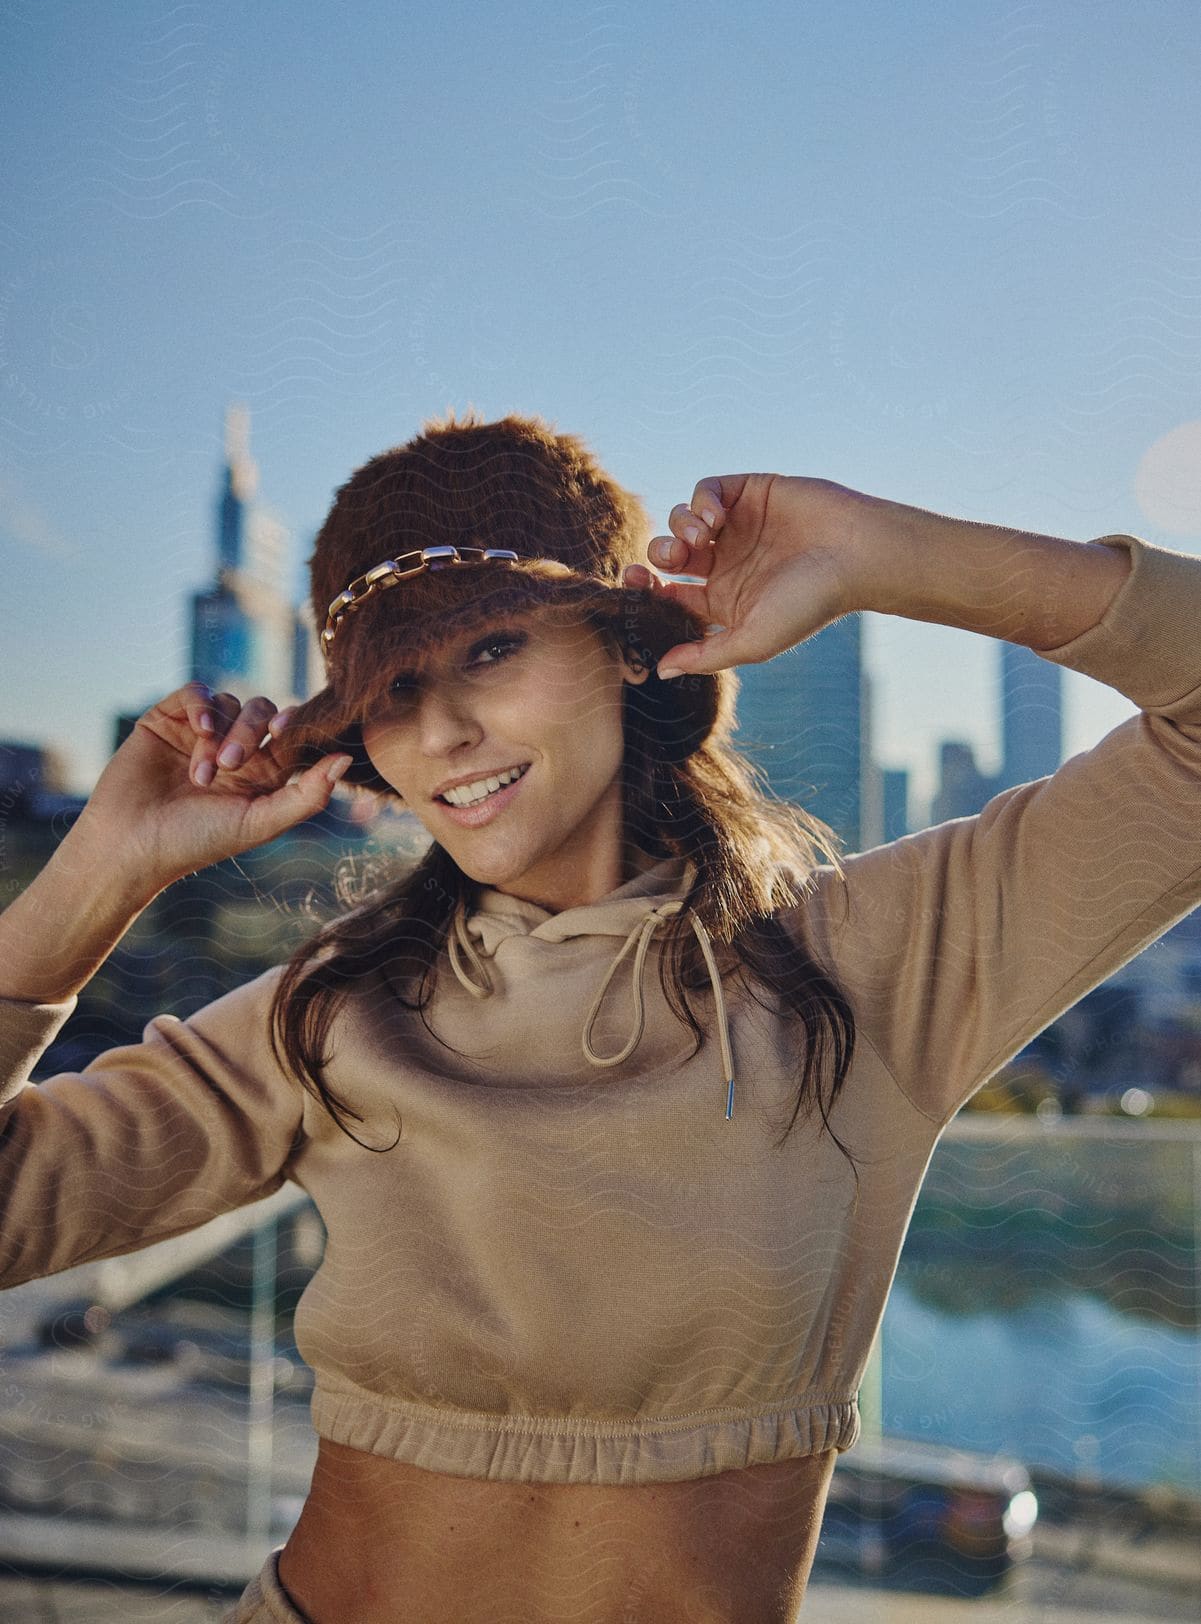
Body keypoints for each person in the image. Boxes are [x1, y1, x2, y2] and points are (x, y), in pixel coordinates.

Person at [2, 408, 1199, 1624]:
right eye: (393, 687)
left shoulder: (868, 963)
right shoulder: (333, 1009)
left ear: (626, 647)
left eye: (491, 650)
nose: (444, 732)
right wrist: (103, 871)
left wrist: (890, 552)